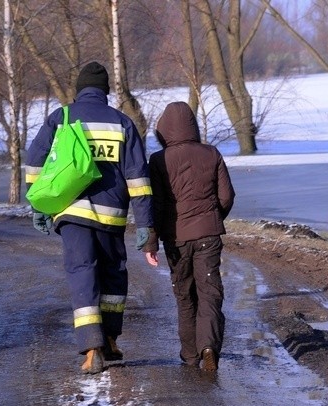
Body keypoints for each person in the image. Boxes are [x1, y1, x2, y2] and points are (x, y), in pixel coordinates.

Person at [25, 61, 155, 375]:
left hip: (71, 213)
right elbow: (138, 179)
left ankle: (91, 347)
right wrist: (146, 225)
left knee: (82, 274)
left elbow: (34, 162)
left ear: (80, 89)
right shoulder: (122, 122)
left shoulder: (62, 117)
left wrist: (40, 205)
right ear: (106, 91)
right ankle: (110, 340)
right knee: (113, 276)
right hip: (112, 218)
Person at [145, 101, 235, 371]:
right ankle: (208, 346)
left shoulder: (159, 160)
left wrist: (152, 241)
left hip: (176, 239)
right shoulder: (212, 153)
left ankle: (190, 355)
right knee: (209, 292)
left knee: (185, 296)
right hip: (209, 234)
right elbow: (226, 196)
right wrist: (213, 217)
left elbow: (156, 205)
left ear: (164, 130)